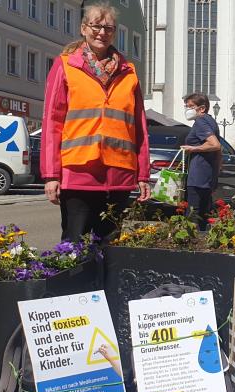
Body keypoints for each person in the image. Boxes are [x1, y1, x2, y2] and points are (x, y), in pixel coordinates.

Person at [41, 2, 150, 242]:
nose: (102, 32)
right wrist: (51, 175)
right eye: (96, 26)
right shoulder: (66, 65)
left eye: (108, 28)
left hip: (119, 175)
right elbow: (52, 123)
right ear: (83, 28)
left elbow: (139, 128)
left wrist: (143, 174)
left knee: (111, 244)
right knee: (74, 243)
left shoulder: (128, 72)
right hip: (78, 173)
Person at [179, 92, 222, 231]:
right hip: (208, 174)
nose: (187, 109)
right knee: (203, 213)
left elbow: (215, 145)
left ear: (202, 108)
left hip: (197, 175)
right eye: (186, 106)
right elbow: (219, 151)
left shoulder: (200, 122)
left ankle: (190, 240)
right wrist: (215, 174)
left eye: (191, 106)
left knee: (193, 213)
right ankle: (203, 240)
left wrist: (193, 148)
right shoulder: (211, 121)